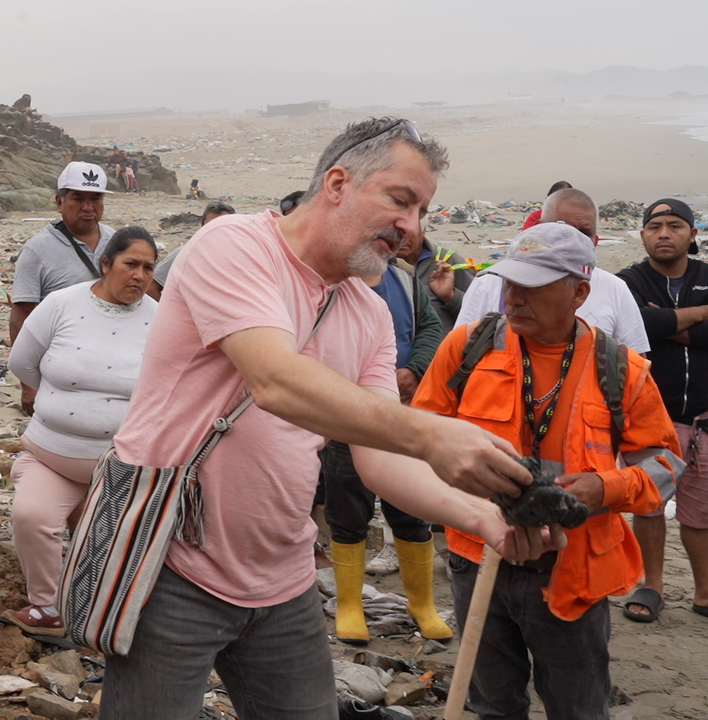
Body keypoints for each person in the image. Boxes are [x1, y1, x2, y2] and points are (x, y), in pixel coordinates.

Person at [98, 117, 555, 720]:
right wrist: (432, 431)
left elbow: (379, 454)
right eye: (401, 200)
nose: (412, 228)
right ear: (338, 182)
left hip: (284, 578)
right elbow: (275, 379)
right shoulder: (233, 246)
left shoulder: (368, 313)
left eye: (422, 212)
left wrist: (482, 515)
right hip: (172, 565)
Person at [413, 222, 681, 720]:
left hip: (572, 570)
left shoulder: (622, 369)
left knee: (577, 707)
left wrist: (605, 488)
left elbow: (665, 465)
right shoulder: (467, 349)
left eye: (532, 287)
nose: (512, 298)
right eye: (508, 283)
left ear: (580, 291)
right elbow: (422, 434)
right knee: (492, 704)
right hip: (478, 556)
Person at [5, 227, 159, 636]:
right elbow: (22, 362)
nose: (140, 276)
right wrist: (63, 400)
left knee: (114, 549)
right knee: (31, 516)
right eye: (131, 264)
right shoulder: (61, 304)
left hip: (121, 466)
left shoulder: (160, 320)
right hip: (51, 454)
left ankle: (101, 614)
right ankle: (45, 608)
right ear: (106, 264)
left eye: (148, 267)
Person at [324, 252, 450, 644]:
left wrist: (415, 367)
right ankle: (349, 605)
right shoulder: (332, 277)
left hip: (402, 415)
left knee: (412, 510)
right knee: (347, 509)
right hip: (345, 416)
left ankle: (422, 603)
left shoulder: (405, 279)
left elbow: (429, 327)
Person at [617, 198, 708, 622]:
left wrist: (667, 322)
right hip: (652, 417)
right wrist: (700, 318)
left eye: (675, 225)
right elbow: (636, 326)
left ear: (693, 234)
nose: (664, 233)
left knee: (699, 509)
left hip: (706, 419)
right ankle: (651, 585)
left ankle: (704, 591)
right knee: (648, 504)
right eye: (655, 226)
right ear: (643, 236)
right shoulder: (628, 282)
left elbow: (655, 326)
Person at [456, 187, 650, 353]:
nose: (573, 241)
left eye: (584, 233)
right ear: (538, 228)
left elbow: (635, 368)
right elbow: (460, 353)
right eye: (561, 228)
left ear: (580, 293)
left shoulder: (614, 288)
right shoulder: (489, 282)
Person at [10, 161, 115, 413]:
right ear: (59, 202)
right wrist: (28, 385)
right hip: (58, 372)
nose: (88, 207)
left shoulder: (115, 240)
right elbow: (20, 318)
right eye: (78, 199)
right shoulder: (37, 250)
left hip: (110, 366)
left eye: (96, 199)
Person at [148, 201, 235, 301]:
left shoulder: (242, 257)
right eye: (210, 226)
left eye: (223, 226)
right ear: (202, 228)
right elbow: (151, 288)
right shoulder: (185, 254)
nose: (216, 231)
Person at [395, 230, 475, 333]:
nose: (400, 240)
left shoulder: (448, 262)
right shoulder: (375, 265)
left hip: (441, 346)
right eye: (394, 233)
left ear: (423, 231)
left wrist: (450, 296)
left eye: (407, 233)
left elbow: (479, 312)